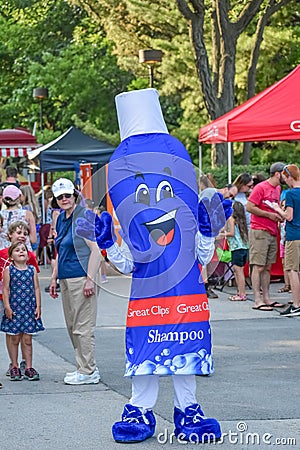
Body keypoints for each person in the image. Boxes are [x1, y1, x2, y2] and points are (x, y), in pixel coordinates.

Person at [77, 89, 232, 443]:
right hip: (148, 301)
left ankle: (188, 409)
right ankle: (139, 409)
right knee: (146, 352)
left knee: (187, 352)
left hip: (187, 298)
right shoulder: (138, 234)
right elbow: (127, 263)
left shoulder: (187, 222)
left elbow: (203, 255)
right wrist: (108, 243)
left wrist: (207, 231)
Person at [49, 178, 101, 385]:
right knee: (72, 326)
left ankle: (89, 371)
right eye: (60, 196)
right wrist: (53, 277)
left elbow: (95, 250)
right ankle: (82, 367)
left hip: (81, 277)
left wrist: (90, 279)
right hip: (66, 276)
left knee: (83, 327)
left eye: (67, 195)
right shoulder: (61, 218)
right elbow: (60, 249)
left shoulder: (83, 217)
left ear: (74, 195)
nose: (64, 199)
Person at [0, 220, 40, 377]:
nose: (22, 236)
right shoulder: (3, 255)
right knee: (12, 334)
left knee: (26, 337)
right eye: (19, 233)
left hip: (26, 303)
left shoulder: (29, 258)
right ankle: (14, 364)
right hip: (7, 300)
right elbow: (6, 287)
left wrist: (38, 305)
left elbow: (35, 283)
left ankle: (26, 364)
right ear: (10, 235)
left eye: (25, 233)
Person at [246, 162, 286, 311]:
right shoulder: (261, 187)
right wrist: (268, 214)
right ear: (277, 173)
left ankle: (266, 297)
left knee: (267, 267)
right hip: (259, 230)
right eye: (284, 173)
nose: (286, 177)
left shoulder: (277, 188)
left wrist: (279, 215)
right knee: (258, 265)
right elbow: (249, 207)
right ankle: (257, 299)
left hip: (271, 230)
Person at [270, 164, 300, 317]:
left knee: (292, 269)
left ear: (289, 177)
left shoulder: (290, 194)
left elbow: (289, 216)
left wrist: (277, 209)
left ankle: (296, 304)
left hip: (294, 235)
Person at [221, 202, 249, 301]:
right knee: (240, 271)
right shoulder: (242, 221)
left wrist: (222, 235)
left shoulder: (231, 219)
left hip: (236, 248)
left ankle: (241, 294)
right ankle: (240, 292)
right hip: (244, 248)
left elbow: (231, 233)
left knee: (238, 272)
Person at [0, 185, 36, 251]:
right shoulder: (27, 214)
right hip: (22, 252)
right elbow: (33, 239)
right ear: (19, 197)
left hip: (3, 253)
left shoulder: (0, 214)